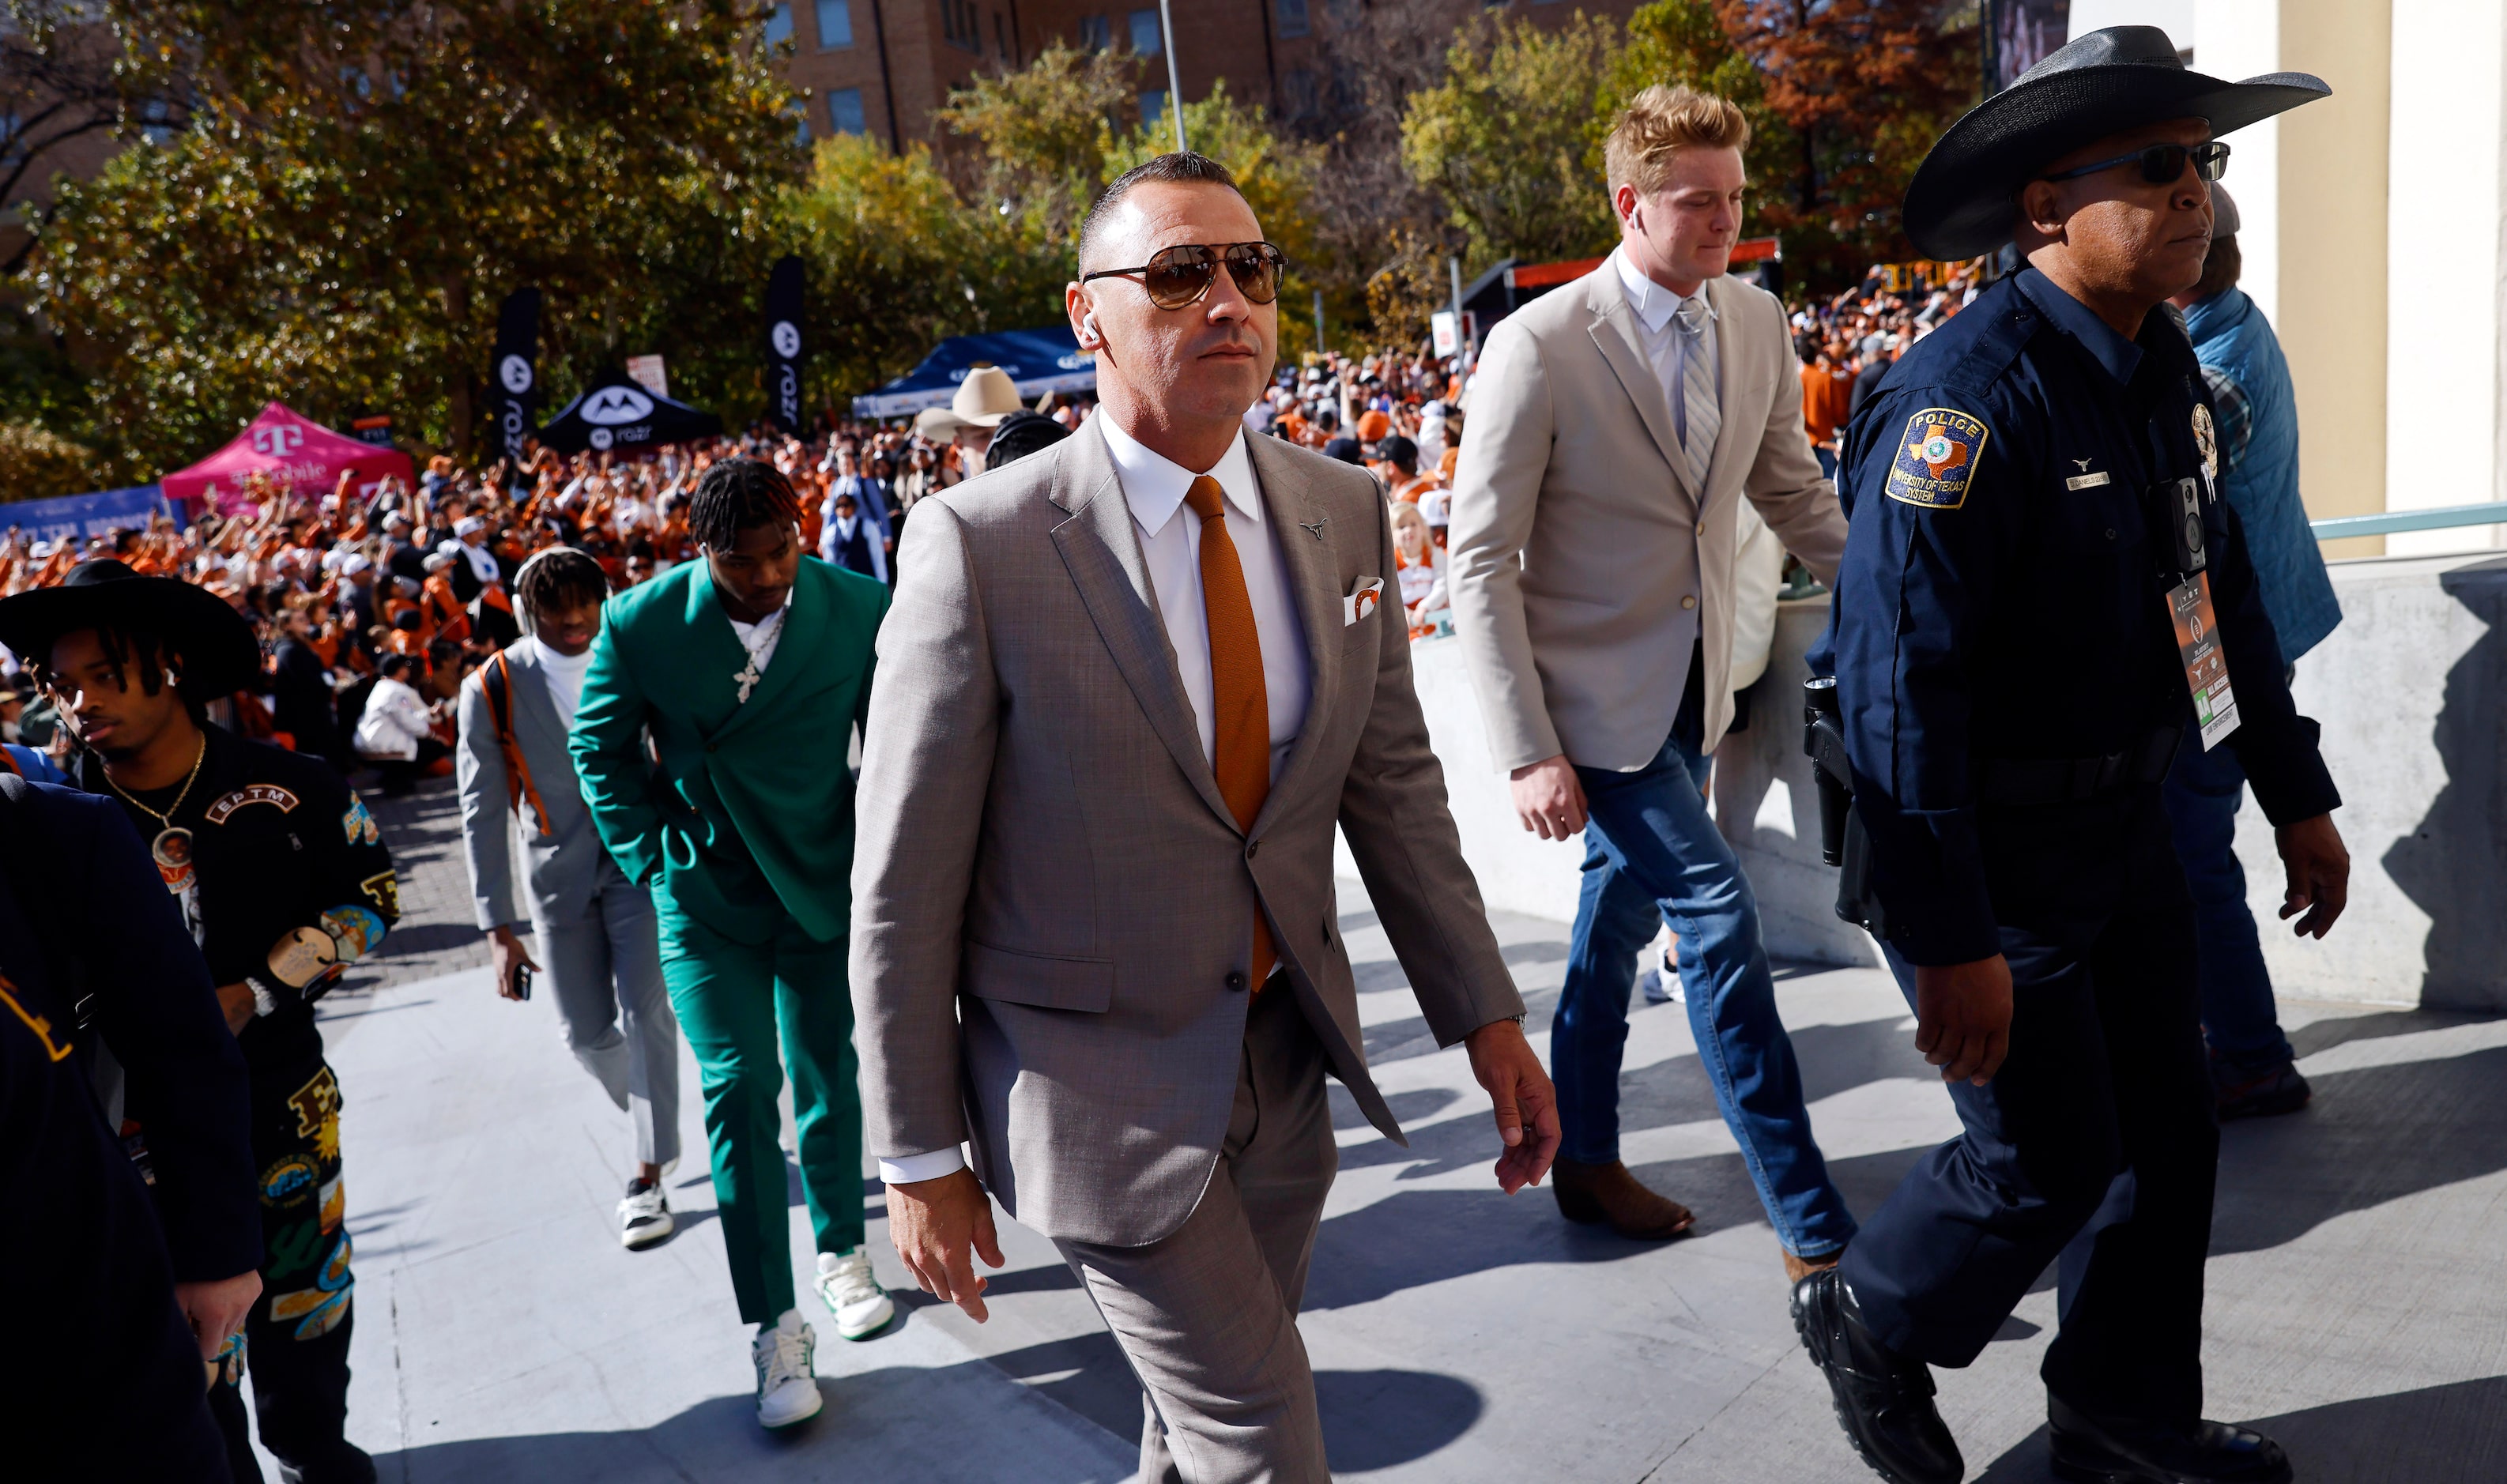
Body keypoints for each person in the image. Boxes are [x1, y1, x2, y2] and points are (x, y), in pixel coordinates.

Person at [854, 151, 1558, 1484]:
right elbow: (902, 885)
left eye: (1250, 269)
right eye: (1179, 273)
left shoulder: (1341, 508)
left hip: (1287, 1068)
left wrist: (1489, 1014)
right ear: (1088, 315)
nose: (1225, 297)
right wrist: (915, 1154)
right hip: (1093, 1098)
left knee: (1195, 1423)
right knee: (1265, 1434)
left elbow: (1393, 789)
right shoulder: (981, 543)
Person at [1797, 30, 2347, 1484]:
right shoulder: (1960, 403)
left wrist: (2294, 795)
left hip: (2134, 837)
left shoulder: (2155, 365)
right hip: (2000, 866)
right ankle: (1867, 1306)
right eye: (2157, 167)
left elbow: (2209, 599)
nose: (2195, 196)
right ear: (2046, 203)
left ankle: (2123, 1417)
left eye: (2203, 163)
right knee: (2042, 1156)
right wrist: (1948, 932)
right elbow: (1895, 688)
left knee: (2167, 1147)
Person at [1447, 85, 1856, 1274]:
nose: (1726, 220)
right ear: (1631, 204)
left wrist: (1891, 585)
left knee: (1611, 924)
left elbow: (1790, 489)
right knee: (1718, 916)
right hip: (1587, 715)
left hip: (1700, 692)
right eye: (1698, 201)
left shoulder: (1754, 324)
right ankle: (1811, 1223)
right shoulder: (1535, 343)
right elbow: (1478, 559)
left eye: (1735, 197)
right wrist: (1527, 743)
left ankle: (1582, 1159)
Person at [0, 558, 401, 1484]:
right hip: (127, 1137)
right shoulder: (50, 821)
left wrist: (257, 989)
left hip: (284, 1107)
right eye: (61, 686)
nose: (80, 703)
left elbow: (372, 897)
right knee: (181, 1355)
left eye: (103, 676)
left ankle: (315, 1454)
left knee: (307, 1302)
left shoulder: (292, 784)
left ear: (169, 668)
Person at [571, 457, 895, 1432]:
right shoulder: (639, 622)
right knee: (740, 1085)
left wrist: (885, 852)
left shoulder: (862, 606)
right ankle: (774, 1324)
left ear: (802, 530)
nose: (764, 576)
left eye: (778, 551)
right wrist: (655, 854)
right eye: (739, 562)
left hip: (824, 877)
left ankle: (842, 1251)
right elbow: (600, 748)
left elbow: (898, 741)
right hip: (704, 899)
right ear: (698, 550)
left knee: (828, 1071)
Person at [2164, 183, 2343, 1119]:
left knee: (2194, 861)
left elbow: (2180, 530)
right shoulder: (2228, 325)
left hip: (2227, 647)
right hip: (2249, 632)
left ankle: (2248, 1058)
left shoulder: (2209, 375)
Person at [457, 547, 682, 1249]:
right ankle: (662, 1113)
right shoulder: (490, 687)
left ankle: (648, 1171)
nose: (575, 620)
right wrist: (497, 927)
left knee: (646, 1015)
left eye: (586, 603)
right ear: (528, 612)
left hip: (640, 864)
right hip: (554, 879)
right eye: (556, 609)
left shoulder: (633, 655)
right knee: (584, 1034)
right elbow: (480, 809)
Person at [353, 653, 444, 797]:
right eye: (406, 666)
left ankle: (394, 778)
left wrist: (428, 715)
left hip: (368, 742)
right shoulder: (396, 691)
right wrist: (431, 735)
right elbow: (408, 722)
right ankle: (398, 779)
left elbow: (406, 716)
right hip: (382, 745)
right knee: (437, 746)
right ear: (400, 670)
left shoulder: (382, 686)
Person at [1389, 500, 1448, 632]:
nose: (1408, 530)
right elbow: (1391, 594)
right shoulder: (1392, 562)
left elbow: (1442, 585)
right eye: (1401, 527)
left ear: (1422, 528)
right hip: (1408, 625)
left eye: (1413, 524)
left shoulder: (1435, 554)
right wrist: (1403, 612)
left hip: (1437, 619)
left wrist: (1424, 607)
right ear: (1391, 533)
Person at [818, 492, 888, 583]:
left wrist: (882, 583)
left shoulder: (868, 527)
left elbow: (877, 556)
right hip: (844, 584)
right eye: (839, 506)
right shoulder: (830, 533)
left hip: (866, 581)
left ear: (853, 507)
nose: (842, 508)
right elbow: (830, 562)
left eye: (846, 505)